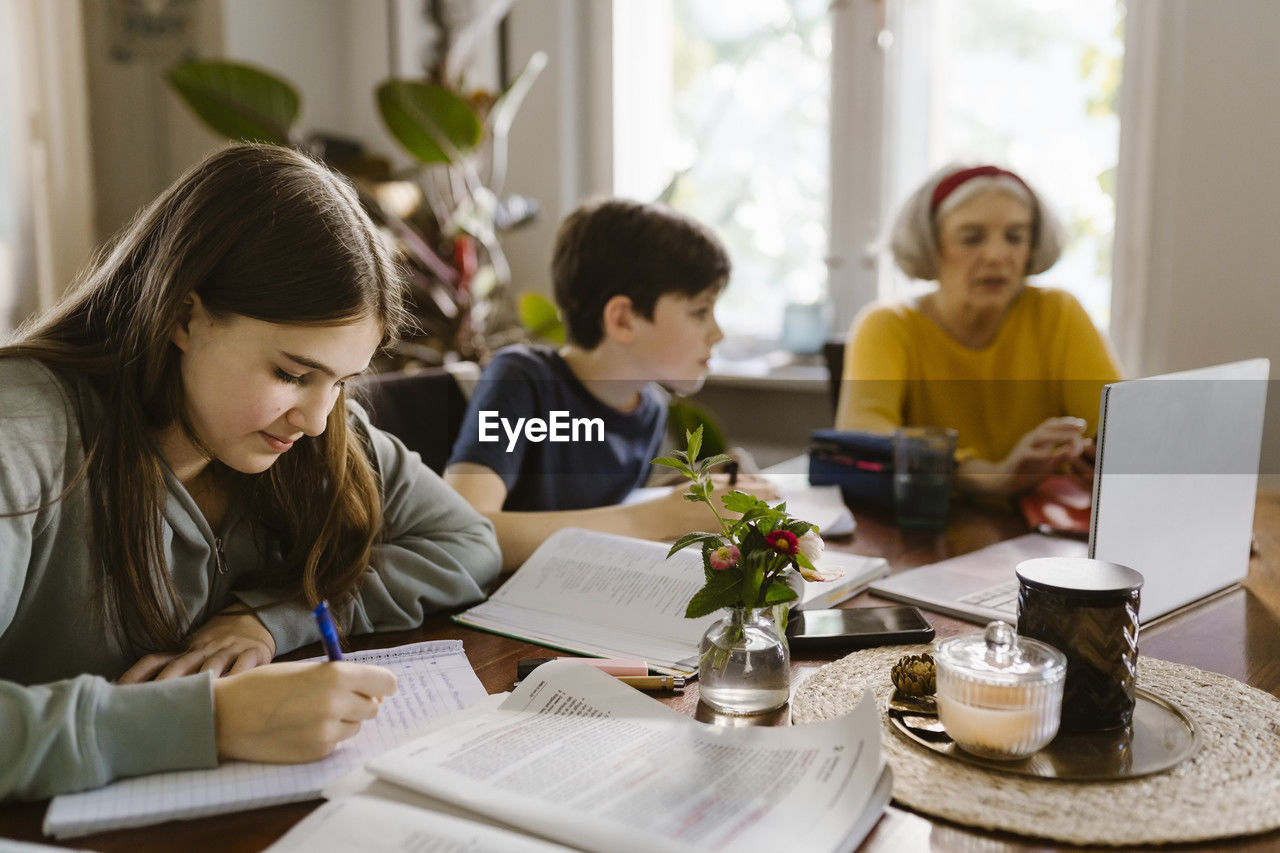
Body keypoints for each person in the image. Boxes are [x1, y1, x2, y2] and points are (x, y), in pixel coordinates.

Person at [0, 144, 501, 801]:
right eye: (292, 374)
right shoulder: (22, 433)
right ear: (184, 315)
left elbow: (467, 543)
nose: (320, 421)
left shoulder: (315, 440)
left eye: (341, 381)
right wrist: (213, 718)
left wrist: (272, 617)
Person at [445, 198, 776, 571]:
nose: (717, 333)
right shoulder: (522, 381)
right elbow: (464, 533)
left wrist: (687, 492)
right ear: (623, 320)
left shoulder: (648, 407)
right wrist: (661, 516)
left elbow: (592, 506)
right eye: (700, 311)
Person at [835, 164, 1123, 496]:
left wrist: (1098, 457)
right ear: (931, 246)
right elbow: (863, 438)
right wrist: (987, 475)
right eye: (972, 238)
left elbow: (1120, 428)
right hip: (934, 524)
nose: (998, 255)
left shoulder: (1059, 312)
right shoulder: (887, 325)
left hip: (1044, 529)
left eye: (1015, 237)